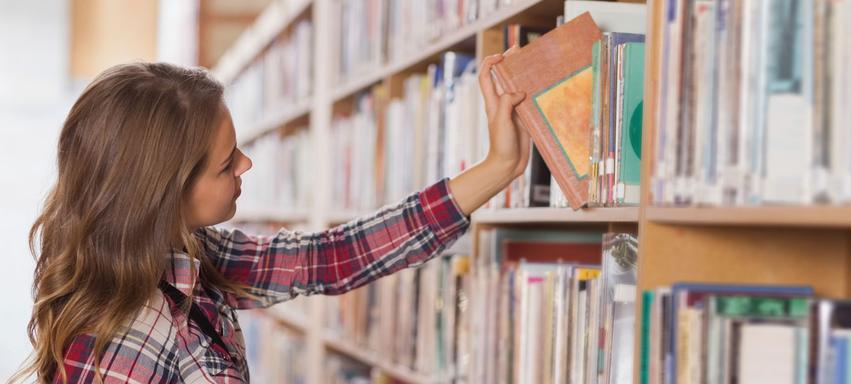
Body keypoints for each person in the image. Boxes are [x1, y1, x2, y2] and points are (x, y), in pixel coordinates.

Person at [16, 53, 527, 383]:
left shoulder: (192, 254)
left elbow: (332, 257)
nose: (245, 164)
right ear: (163, 190)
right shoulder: (125, 337)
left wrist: (499, 167)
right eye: (226, 161)